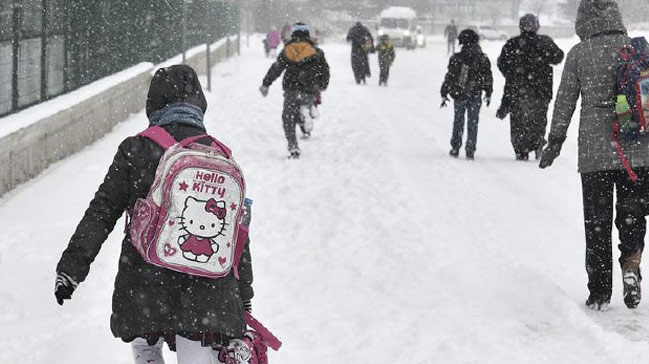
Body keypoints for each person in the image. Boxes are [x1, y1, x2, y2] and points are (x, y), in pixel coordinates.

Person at [54, 65, 254, 363]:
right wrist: (243, 295)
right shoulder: (218, 155)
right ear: (199, 104)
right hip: (207, 291)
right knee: (197, 350)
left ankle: (147, 353)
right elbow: (236, 234)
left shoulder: (136, 149)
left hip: (145, 282)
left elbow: (103, 210)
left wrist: (71, 268)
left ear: (154, 104)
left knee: (145, 342)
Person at [539, 0, 649, 311]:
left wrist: (555, 141)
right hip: (638, 151)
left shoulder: (579, 54)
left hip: (595, 152)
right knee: (632, 217)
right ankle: (631, 266)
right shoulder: (638, 49)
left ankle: (600, 291)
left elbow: (564, 103)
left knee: (597, 222)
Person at [497, 14, 564, 161]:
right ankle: (537, 144)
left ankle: (522, 148)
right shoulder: (544, 42)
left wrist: (512, 74)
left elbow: (502, 63)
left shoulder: (512, 44)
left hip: (518, 90)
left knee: (518, 121)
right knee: (538, 120)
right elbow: (558, 56)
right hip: (540, 90)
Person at [259, 22, 330, 159]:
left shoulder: (287, 50)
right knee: (304, 106)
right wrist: (322, 85)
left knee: (288, 116)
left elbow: (277, 68)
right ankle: (306, 116)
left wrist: (266, 83)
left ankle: (293, 145)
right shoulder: (316, 51)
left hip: (291, 88)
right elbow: (324, 70)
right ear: (307, 34)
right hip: (309, 89)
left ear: (293, 34)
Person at [441, 29, 493, 160]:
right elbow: (488, 77)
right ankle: (470, 149)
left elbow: (450, 77)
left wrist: (444, 91)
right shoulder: (482, 58)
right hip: (475, 94)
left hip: (459, 94)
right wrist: (488, 92)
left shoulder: (457, 58)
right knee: (473, 122)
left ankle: (455, 147)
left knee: (458, 121)